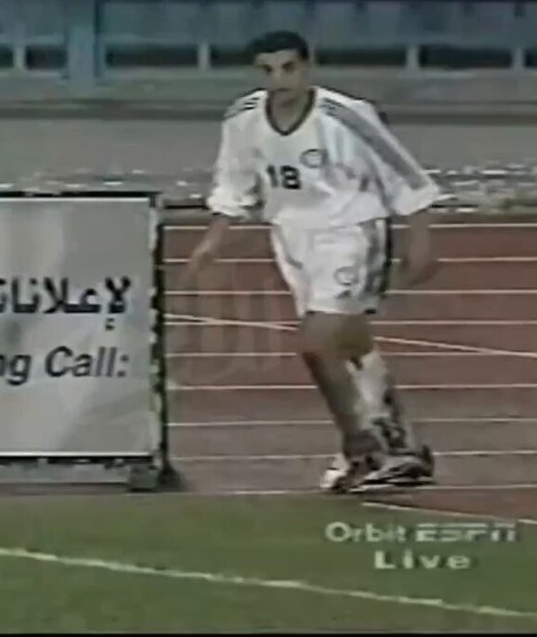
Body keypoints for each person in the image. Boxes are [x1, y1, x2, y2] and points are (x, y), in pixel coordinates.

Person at [184, 30, 443, 493]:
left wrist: (420, 240)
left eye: (288, 68)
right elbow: (235, 182)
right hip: (291, 238)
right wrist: (213, 242)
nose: (279, 79)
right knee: (352, 343)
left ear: (307, 67)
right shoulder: (243, 118)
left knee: (317, 344)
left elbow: (405, 175)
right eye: (267, 70)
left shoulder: (346, 115)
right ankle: (403, 449)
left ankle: (361, 450)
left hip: (351, 233)